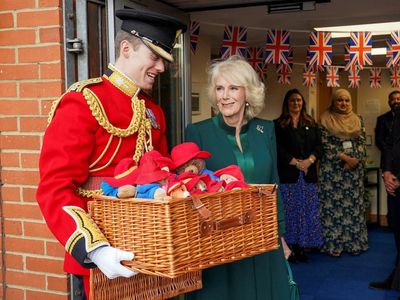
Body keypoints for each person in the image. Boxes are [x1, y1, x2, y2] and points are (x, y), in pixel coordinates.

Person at [36, 9, 186, 299]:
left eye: (164, 60)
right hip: (102, 259)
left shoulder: (153, 110)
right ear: (126, 49)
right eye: (154, 57)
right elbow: (54, 188)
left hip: (151, 254)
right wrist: (95, 249)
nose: (162, 68)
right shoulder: (82, 101)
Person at [184, 55, 291, 299]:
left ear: (248, 93)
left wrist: (280, 235)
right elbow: (189, 192)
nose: (225, 96)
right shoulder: (197, 132)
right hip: (218, 239)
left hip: (261, 235)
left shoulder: (266, 130)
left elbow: (274, 183)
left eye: (233, 88)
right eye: (220, 88)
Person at [274, 88, 324, 263]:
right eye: (292, 100)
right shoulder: (278, 124)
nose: (296, 103)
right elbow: (278, 149)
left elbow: (320, 147)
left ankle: (302, 247)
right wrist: (297, 163)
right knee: (290, 212)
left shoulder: (312, 123)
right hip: (289, 175)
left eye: (299, 100)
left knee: (306, 211)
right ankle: (290, 247)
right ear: (287, 103)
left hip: (308, 176)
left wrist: (309, 161)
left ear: (303, 103)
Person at [318, 88, 368, 256]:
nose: (344, 103)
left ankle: (354, 244)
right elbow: (324, 144)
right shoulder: (325, 119)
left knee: (353, 210)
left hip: (353, 173)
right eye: (340, 100)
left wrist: (354, 160)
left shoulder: (358, 119)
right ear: (333, 101)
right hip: (333, 173)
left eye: (346, 100)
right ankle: (334, 246)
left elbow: (361, 143)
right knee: (333, 210)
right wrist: (345, 158)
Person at [369, 90, 400, 291]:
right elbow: (389, 144)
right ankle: (396, 279)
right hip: (393, 183)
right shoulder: (397, 116)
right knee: (397, 230)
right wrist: (387, 172)